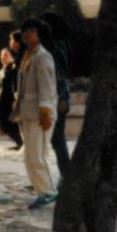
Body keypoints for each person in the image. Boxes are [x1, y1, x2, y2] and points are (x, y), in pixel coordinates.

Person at [13, 18, 58, 209]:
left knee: (38, 155)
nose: (27, 34)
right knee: (30, 156)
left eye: (31, 31)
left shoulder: (42, 56)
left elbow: (47, 87)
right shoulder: (27, 55)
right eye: (25, 31)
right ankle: (41, 190)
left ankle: (49, 191)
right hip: (28, 113)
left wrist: (45, 112)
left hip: (40, 114)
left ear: (39, 34)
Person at [40, 11, 72, 182]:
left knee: (57, 139)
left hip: (58, 99)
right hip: (55, 99)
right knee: (56, 140)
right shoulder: (55, 47)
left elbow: (59, 76)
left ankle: (66, 175)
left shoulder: (55, 49)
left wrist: (62, 98)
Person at [0, 46, 23, 150]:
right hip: (0, 100)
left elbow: (15, 84)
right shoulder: (3, 69)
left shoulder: (13, 68)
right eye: (2, 56)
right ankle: (19, 142)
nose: (3, 58)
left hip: (8, 100)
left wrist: (16, 98)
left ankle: (20, 142)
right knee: (3, 123)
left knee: (8, 123)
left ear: (11, 56)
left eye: (6, 55)